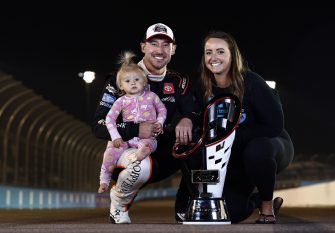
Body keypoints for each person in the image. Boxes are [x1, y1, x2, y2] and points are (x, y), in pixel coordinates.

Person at [175, 31, 294, 224]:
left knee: (257, 150)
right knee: (229, 213)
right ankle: (253, 200)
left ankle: (266, 205)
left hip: (269, 143)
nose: (214, 58)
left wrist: (232, 137)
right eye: (208, 52)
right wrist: (185, 119)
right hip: (230, 154)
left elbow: (275, 126)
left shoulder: (252, 82)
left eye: (220, 52)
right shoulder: (202, 87)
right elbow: (193, 118)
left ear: (232, 56)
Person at [91, 23, 198, 224]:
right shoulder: (120, 78)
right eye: (154, 44)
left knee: (197, 139)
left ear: (173, 49)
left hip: (160, 150)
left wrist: (188, 119)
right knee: (141, 166)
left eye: (166, 45)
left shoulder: (179, 81)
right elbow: (98, 125)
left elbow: (193, 110)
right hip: (127, 152)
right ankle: (119, 203)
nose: (160, 50)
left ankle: (186, 206)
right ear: (143, 47)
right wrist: (137, 128)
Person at [98, 51, 167, 194]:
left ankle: (142, 153)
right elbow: (109, 119)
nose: (133, 83)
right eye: (128, 81)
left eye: (137, 79)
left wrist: (160, 122)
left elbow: (162, 110)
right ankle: (104, 180)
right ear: (121, 86)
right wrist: (115, 136)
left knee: (149, 143)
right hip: (126, 138)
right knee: (110, 151)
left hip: (146, 137)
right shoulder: (120, 101)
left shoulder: (152, 96)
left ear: (144, 81)